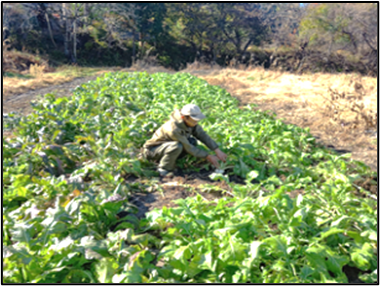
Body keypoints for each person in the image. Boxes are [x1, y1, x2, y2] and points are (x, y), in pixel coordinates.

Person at [141, 104, 227, 177]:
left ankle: (172, 160)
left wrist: (217, 150)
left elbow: (202, 135)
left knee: (192, 141)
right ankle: (163, 168)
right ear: (184, 117)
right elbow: (188, 148)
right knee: (177, 146)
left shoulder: (190, 122)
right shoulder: (173, 129)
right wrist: (208, 156)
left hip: (166, 147)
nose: (196, 123)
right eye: (194, 120)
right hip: (152, 150)